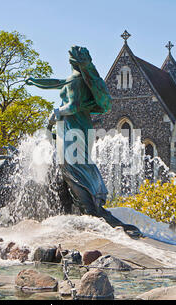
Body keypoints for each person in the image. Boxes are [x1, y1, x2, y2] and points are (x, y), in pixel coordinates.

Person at [26, 46, 141, 238]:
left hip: (72, 129)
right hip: (80, 127)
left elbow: (73, 105)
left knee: (71, 166)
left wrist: (56, 113)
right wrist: (37, 82)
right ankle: (91, 206)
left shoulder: (75, 80)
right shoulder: (80, 79)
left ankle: (91, 210)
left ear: (71, 61)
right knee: (80, 164)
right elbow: (58, 83)